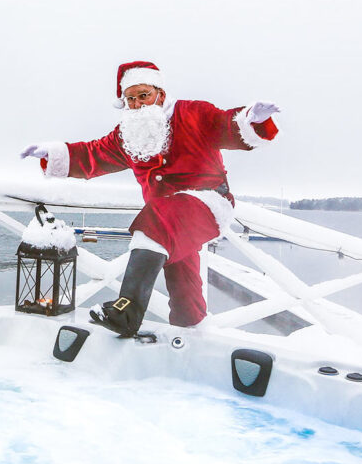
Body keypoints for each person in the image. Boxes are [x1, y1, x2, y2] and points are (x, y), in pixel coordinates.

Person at [21, 60, 280, 337]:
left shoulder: (192, 113)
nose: (137, 104)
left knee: (154, 224)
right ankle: (192, 329)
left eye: (143, 95)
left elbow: (224, 125)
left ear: (160, 94)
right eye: (130, 99)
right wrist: (53, 154)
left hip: (207, 202)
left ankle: (127, 311)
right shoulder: (127, 136)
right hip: (168, 216)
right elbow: (93, 154)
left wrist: (252, 120)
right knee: (182, 278)